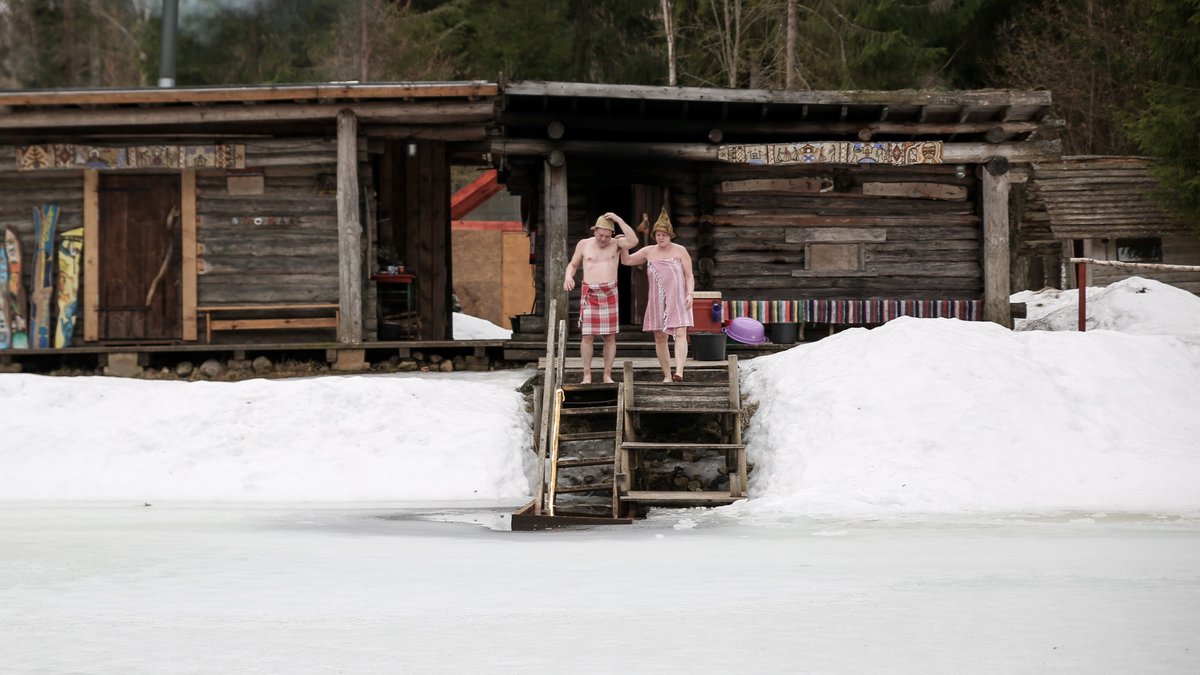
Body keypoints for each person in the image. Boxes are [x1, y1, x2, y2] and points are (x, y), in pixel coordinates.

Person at [562, 212, 638, 384]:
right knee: (587, 336)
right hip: (590, 293)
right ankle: (587, 375)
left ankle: (607, 374)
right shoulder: (584, 244)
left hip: (610, 292)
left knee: (610, 336)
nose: (603, 239)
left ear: (611, 234)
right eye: (600, 234)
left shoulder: (617, 243)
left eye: (606, 235)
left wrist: (619, 220)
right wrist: (568, 277)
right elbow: (573, 265)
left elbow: (634, 241)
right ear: (594, 231)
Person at [622, 207, 694, 382]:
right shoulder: (649, 251)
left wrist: (690, 294)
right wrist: (622, 246)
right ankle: (667, 375)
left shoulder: (680, 250)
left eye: (664, 234)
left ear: (670, 235)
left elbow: (689, 275)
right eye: (658, 234)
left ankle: (679, 371)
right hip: (657, 300)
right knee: (660, 337)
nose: (661, 237)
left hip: (678, 297)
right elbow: (627, 260)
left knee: (680, 332)